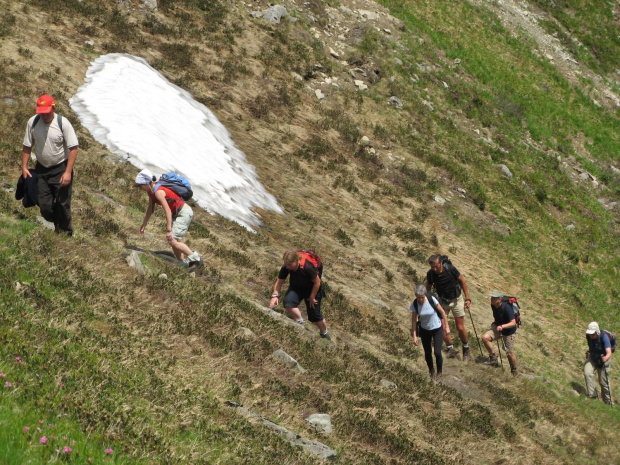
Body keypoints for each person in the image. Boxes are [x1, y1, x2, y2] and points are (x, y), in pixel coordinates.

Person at [21, 94, 79, 235]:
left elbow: (73, 148)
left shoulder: (62, 123)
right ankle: (56, 222)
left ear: (53, 108)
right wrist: (24, 166)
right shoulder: (33, 122)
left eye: (47, 113)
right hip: (42, 169)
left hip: (61, 168)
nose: (44, 116)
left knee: (63, 203)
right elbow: (27, 146)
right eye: (41, 113)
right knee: (44, 205)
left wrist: (67, 172)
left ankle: (66, 233)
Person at [134, 169, 202, 266]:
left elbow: (168, 211)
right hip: (177, 212)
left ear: (147, 183)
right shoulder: (151, 193)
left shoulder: (158, 192)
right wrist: (144, 223)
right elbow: (150, 208)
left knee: (172, 240)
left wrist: (169, 229)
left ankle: (195, 258)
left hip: (183, 212)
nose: (141, 189)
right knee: (173, 241)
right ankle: (182, 264)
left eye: (141, 186)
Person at [269, 251, 330, 341]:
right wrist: (275, 294)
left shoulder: (307, 267)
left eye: (289, 264)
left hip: (312, 290)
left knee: (314, 317)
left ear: (296, 261)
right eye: (286, 264)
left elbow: (317, 283)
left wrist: (312, 297)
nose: (287, 267)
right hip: (296, 287)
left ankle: (324, 333)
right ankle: (300, 323)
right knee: (288, 302)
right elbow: (280, 280)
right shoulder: (286, 267)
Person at [426, 254, 472, 361]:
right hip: (443, 301)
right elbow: (428, 287)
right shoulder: (431, 274)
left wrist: (467, 298)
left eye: (437, 266)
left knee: (460, 327)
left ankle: (466, 348)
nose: (435, 269)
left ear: (441, 263)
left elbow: (462, 281)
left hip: (457, 300)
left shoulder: (450, 268)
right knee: (443, 326)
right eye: (433, 267)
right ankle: (450, 349)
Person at [410, 284, 450, 381]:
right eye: (418, 297)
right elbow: (414, 321)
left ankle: (439, 373)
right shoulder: (415, 304)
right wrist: (414, 336)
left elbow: (442, 312)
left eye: (422, 297)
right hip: (424, 330)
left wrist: (447, 327)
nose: (420, 299)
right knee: (427, 352)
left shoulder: (431, 299)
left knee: (437, 352)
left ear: (425, 295)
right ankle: (431, 371)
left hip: (437, 329)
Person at [482, 290, 518, 375]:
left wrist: (502, 326)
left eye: (494, 298)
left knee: (509, 353)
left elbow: (513, 322)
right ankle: (493, 359)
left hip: (509, 331)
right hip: (498, 327)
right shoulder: (493, 305)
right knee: (485, 338)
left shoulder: (507, 308)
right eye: (492, 297)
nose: (492, 299)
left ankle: (514, 371)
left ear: (500, 299)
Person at [584, 322, 613, 405]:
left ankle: (608, 403)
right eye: (590, 334)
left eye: (593, 334)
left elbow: (609, 352)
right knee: (587, 373)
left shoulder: (604, 337)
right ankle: (593, 396)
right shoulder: (589, 337)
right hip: (593, 357)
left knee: (603, 382)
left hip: (603, 359)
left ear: (597, 332)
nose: (591, 336)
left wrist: (605, 358)